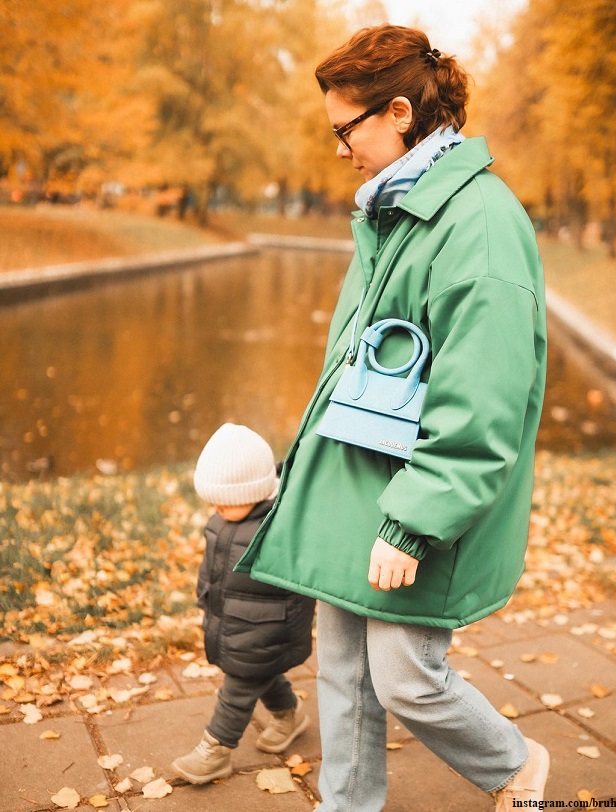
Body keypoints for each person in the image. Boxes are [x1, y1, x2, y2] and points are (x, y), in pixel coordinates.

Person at [237, 23, 549, 812]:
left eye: (347, 129)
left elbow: (484, 402)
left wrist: (413, 521)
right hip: (356, 485)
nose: (340, 148)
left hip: (410, 500)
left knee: (407, 677)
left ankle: (517, 770)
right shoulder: (391, 209)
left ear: (401, 112)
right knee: (343, 675)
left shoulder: (474, 223)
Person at [171, 423, 315, 784]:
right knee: (259, 675)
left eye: (226, 501)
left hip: (269, 625)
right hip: (232, 617)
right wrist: (206, 597)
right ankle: (290, 715)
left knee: (238, 687)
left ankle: (215, 751)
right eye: (213, 501)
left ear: (256, 491)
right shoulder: (224, 518)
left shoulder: (280, 526)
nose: (217, 508)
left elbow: (303, 578)